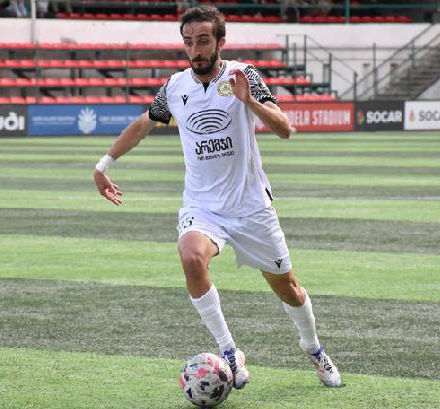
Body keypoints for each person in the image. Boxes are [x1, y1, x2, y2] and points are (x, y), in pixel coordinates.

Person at [92, 5, 341, 390]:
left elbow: (285, 129)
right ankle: (229, 351)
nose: (196, 50)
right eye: (189, 42)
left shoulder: (244, 75)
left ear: (220, 42)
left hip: (251, 207)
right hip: (203, 207)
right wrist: (103, 165)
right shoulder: (175, 87)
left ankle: (313, 348)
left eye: (203, 41)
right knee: (191, 256)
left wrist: (249, 101)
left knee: (288, 288)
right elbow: (142, 125)